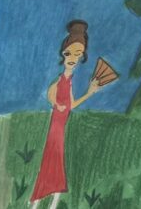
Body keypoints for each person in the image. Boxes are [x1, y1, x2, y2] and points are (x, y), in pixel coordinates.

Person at [30, 21, 104, 209]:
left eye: (78, 54)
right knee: (51, 159)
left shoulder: (69, 81)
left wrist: (89, 92)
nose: (73, 58)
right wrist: (56, 103)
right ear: (63, 53)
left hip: (60, 127)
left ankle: (52, 202)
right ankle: (38, 201)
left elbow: (71, 104)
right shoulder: (61, 80)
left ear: (82, 57)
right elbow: (51, 94)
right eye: (69, 53)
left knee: (57, 160)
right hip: (56, 126)